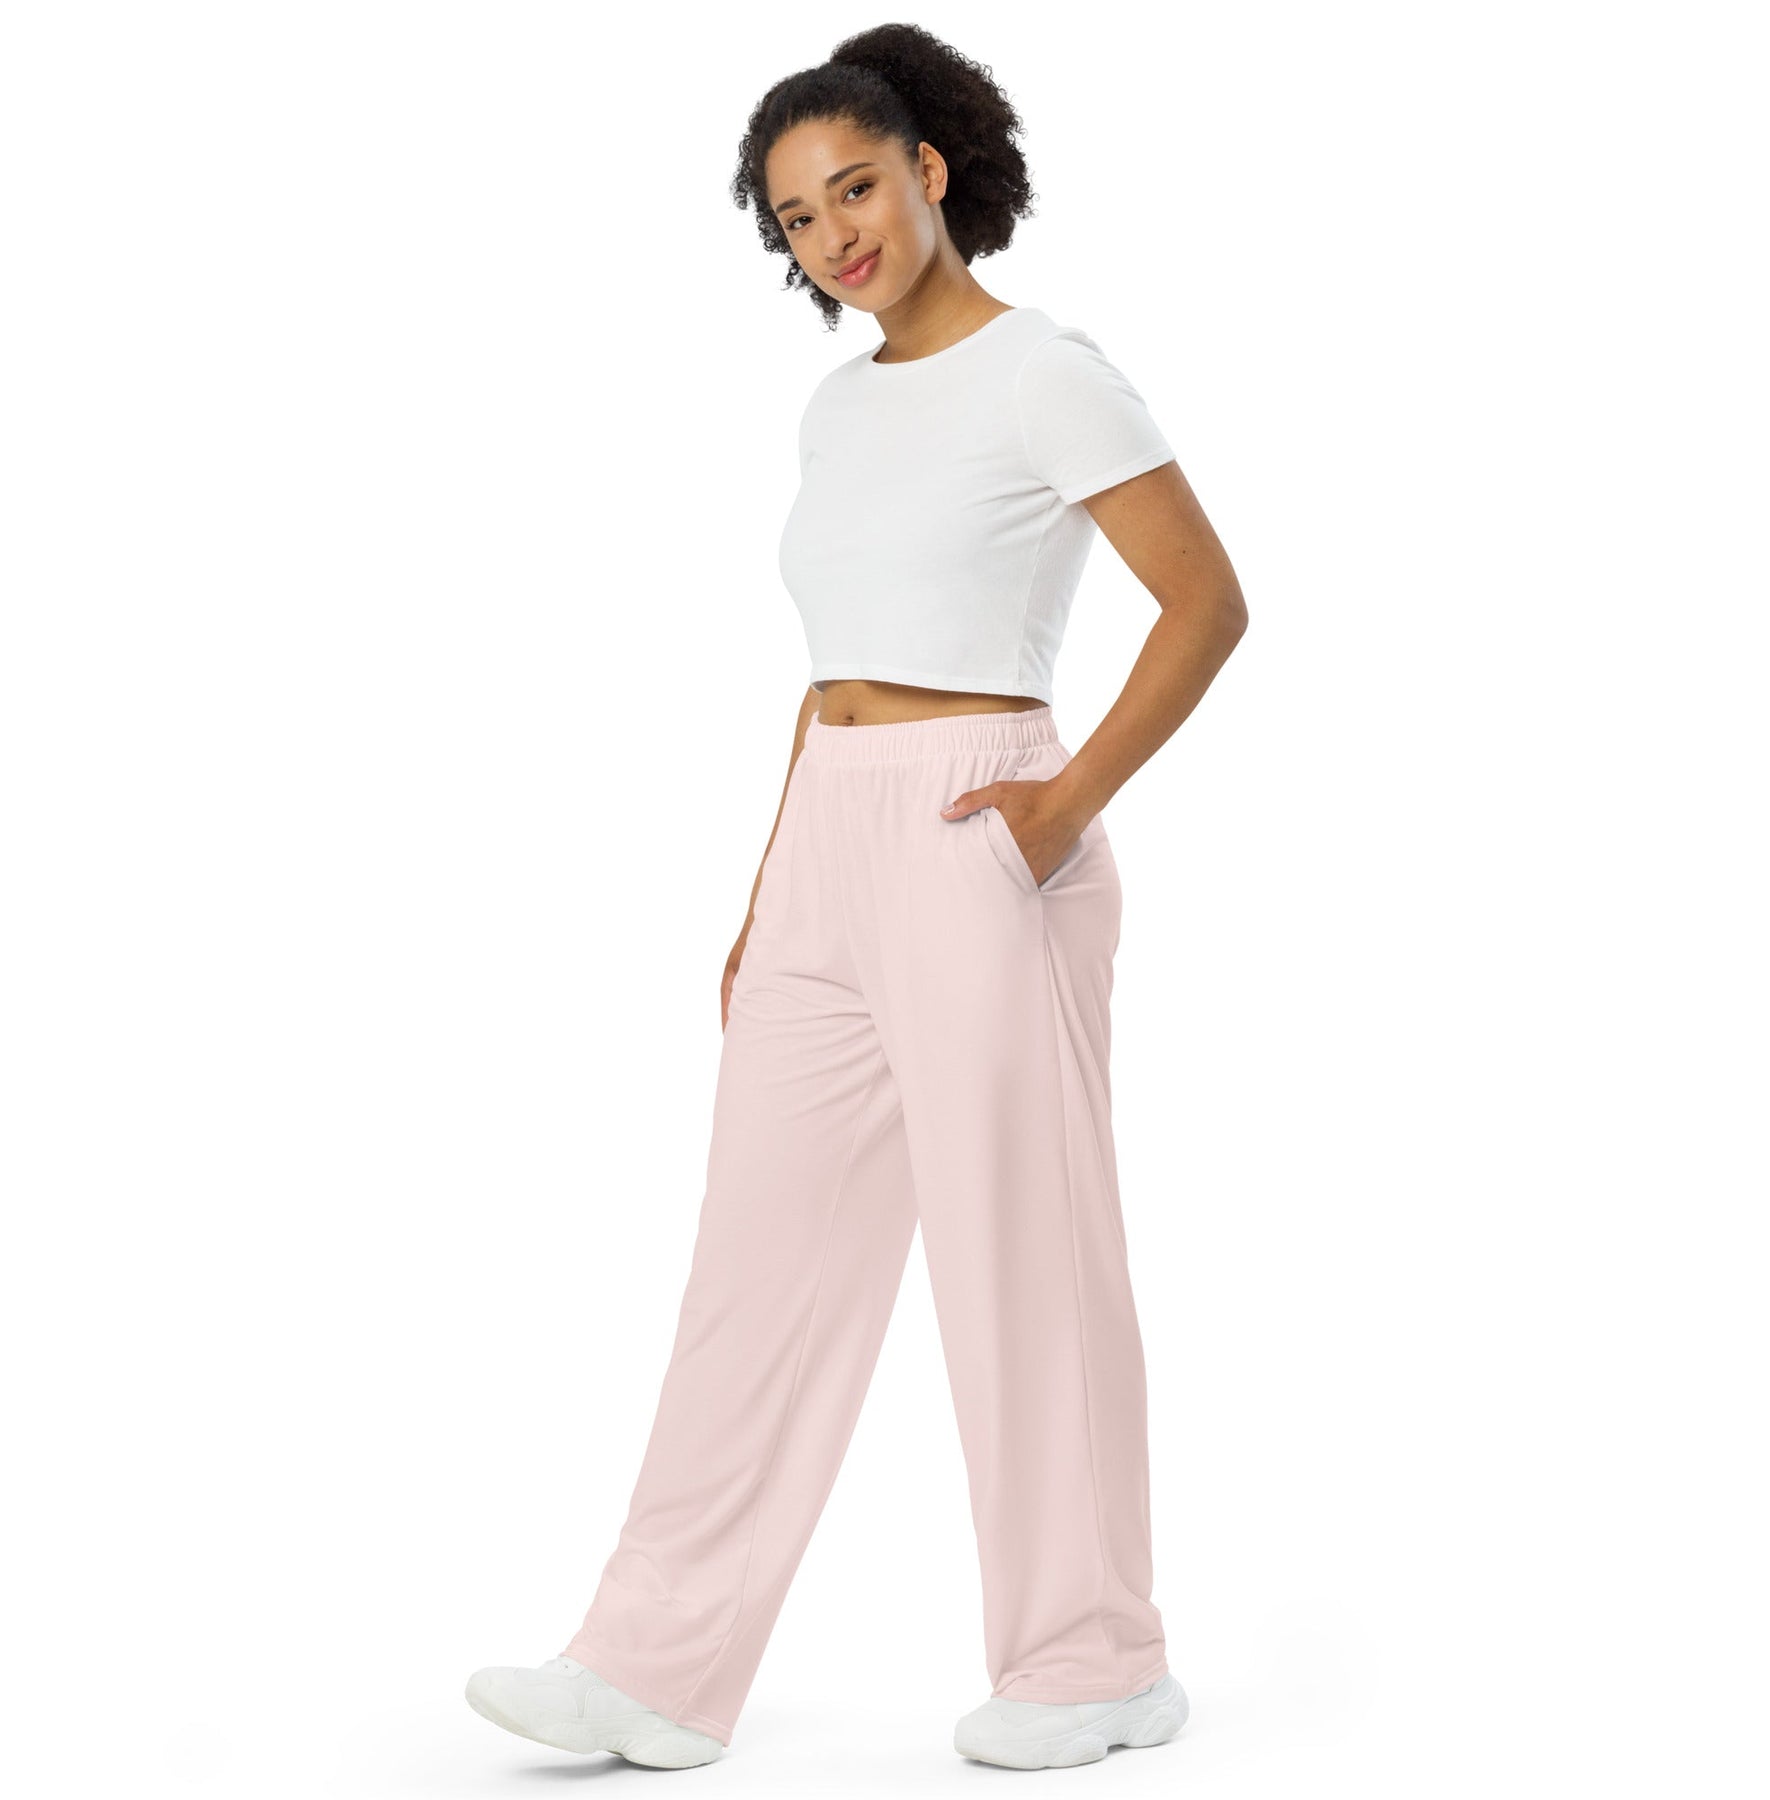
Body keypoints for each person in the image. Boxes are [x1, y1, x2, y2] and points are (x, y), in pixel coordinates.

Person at [465, 22, 1247, 1772]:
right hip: (829, 829)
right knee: (754, 1262)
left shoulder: (1045, 372)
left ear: (929, 172)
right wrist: (771, 891)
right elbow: (833, 671)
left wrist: (1058, 812)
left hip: (986, 819)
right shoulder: (836, 406)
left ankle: (1093, 1659)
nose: (836, 237)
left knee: (1020, 1253)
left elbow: (1207, 604)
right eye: (799, 219)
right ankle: (652, 1665)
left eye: (857, 190)